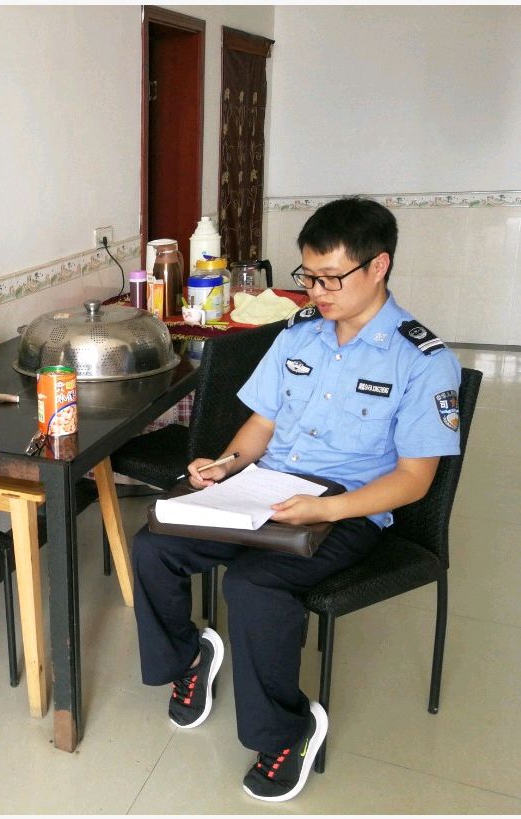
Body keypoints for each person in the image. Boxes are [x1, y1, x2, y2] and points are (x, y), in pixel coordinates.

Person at [132, 197, 461, 802]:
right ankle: (189, 660)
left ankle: (287, 729)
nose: (316, 292)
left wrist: (325, 510)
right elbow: (262, 423)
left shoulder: (422, 361)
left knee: (252, 586)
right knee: (154, 544)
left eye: (331, 278)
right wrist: (226, 465)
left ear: (379, 266)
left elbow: (415, 480)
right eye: (308, 276)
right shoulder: (299, 334)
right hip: (266, 488)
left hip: (346, 509)